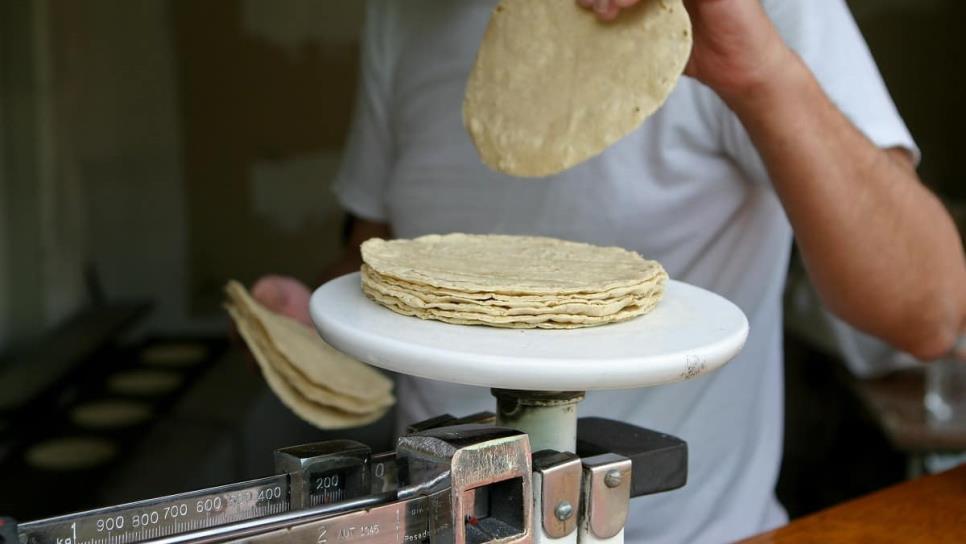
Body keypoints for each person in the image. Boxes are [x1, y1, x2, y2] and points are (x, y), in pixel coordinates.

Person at [253, 0, 966, 541]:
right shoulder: (408, 15)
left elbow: (927, 311)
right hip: (441, 524)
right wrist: (307, 321)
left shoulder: (764, 12)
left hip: (696, 531)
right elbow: (388, 260)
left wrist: (755, 68)